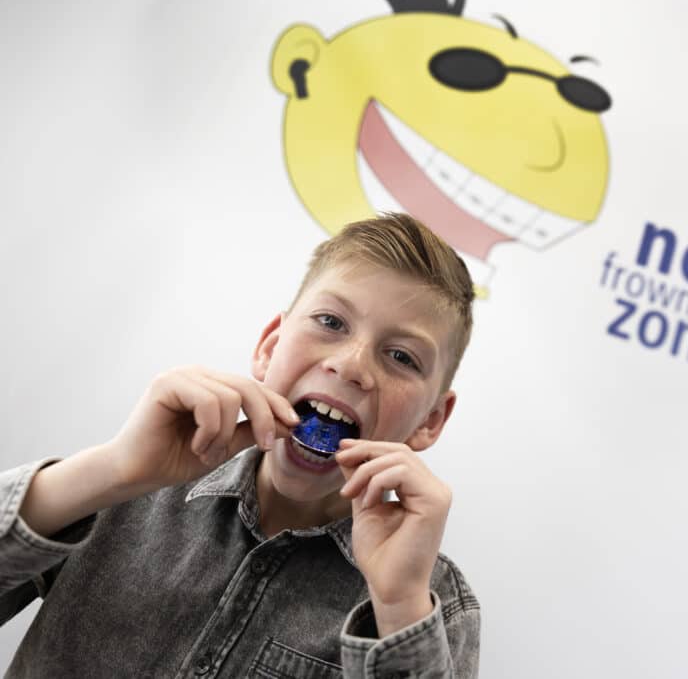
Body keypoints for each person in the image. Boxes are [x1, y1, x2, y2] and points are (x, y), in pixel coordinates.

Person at [0, 212, 480, 678]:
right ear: (269, 347)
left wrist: (397, 608)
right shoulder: (121, 488)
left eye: (401, 356)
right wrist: (112, 472)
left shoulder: (431, 603)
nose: (351, 365)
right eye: (331, 322)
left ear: (431, 419)